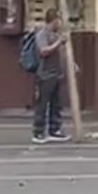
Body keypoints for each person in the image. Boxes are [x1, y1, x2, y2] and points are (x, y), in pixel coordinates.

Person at [33, 9, 71, 144]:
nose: (60, 23)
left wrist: (71, 64)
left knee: (56, 104)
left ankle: (54, 130)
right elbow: (43, 51)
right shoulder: (42, 34)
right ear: (54, 20)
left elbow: (61, 53)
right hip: (45, 75)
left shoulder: (55, 35)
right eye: (58, 20)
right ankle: (38, 132)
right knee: (42, 104)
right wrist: (58, 42)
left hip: (56, 74)